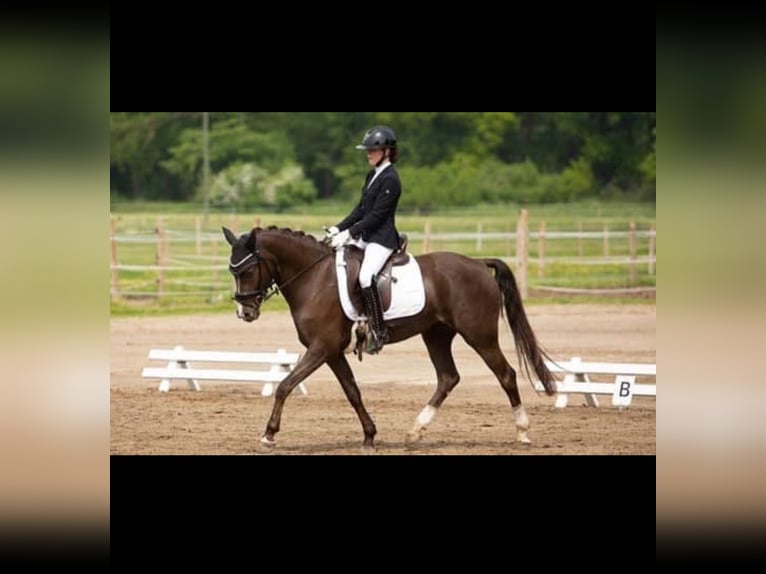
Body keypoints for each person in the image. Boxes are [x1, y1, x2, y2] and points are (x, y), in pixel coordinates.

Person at [325, 125, 402, 355]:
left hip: (382, 239)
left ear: (387, 152)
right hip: (366, 236)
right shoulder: (372, 175)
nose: (368, 153)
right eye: (367, 150)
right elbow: (361, 209)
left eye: (372, 150)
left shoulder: (391, 179)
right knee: (340, 264)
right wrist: (338, 227)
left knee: (366, 277)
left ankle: (379, 330)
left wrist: (350, 234)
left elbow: (377, 216)